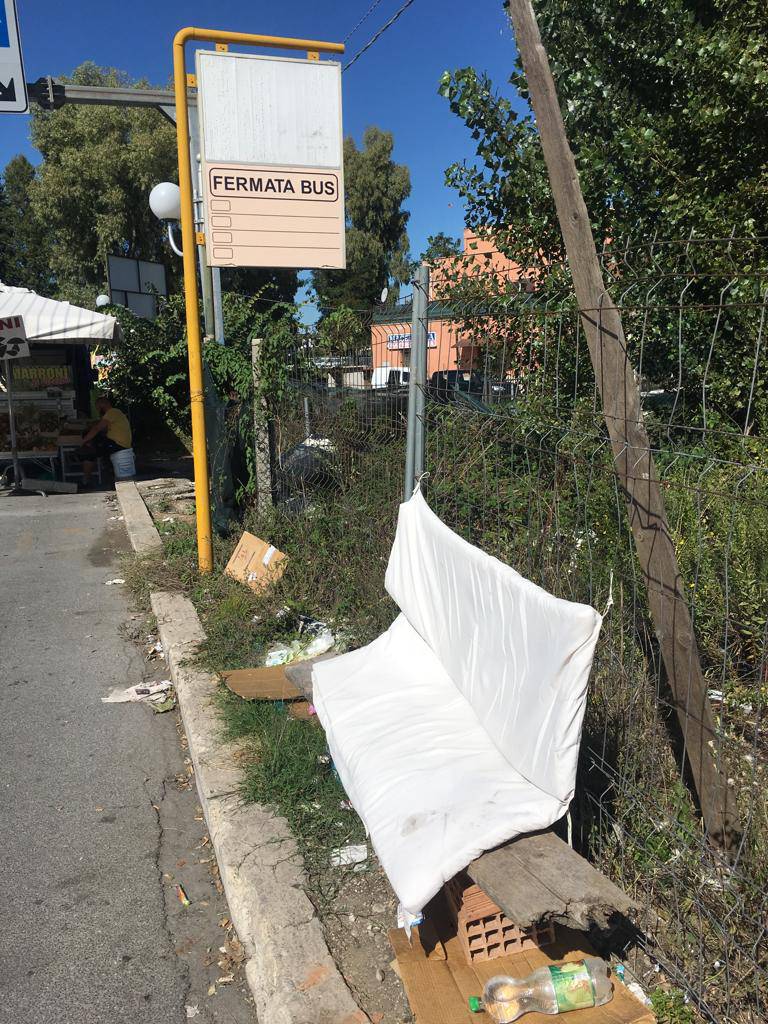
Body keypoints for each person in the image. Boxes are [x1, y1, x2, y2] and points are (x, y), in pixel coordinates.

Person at [78, 394, 132, 486]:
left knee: (89, 452)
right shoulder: (115, 413)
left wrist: (83, 441)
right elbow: (101, 425)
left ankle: (86, 480)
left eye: (98, 408)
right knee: (94, 445)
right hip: (117, 443)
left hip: (118, 444)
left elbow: (97, 428)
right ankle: (101, 472)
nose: (98, 411)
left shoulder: (112, 412)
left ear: (102, 405)